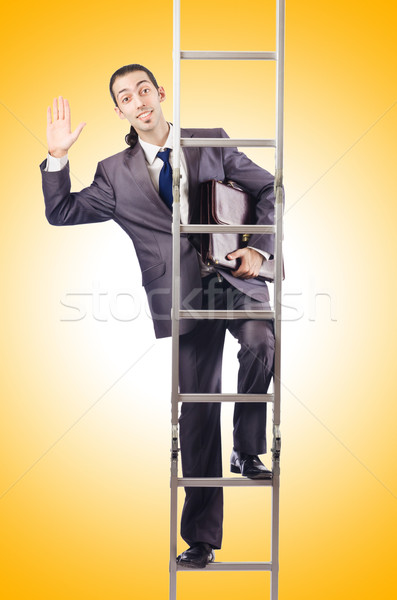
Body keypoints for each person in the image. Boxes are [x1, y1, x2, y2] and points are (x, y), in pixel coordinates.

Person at [41, 63, 276, 569]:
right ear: (120, 110)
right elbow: (61, 212)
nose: (138, 100)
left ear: (160, 93)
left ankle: (247, 447)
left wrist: (260, 249)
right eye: (125, 97)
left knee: (262, 342)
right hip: (182, 295)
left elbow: (269, 189)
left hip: (235, 278)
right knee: (197, 412)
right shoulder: (114, 172)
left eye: (143, 89)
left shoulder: (210, 142)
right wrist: (57, 157)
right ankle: (201, 540)